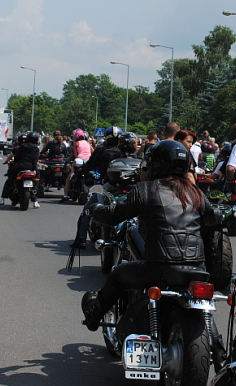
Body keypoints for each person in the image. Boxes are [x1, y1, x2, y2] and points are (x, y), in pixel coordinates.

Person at [80, 140, 221, 330]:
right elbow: (214, 218)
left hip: (158, 268)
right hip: (197, 269)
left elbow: (114, 216)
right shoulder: (195, 193)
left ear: (157, 164)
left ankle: (93, 318)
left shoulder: (145, 190)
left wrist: (96, 209)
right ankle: (217, 349)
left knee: (117, 275)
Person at [69, 126, 124, 248]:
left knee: (86, 211)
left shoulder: (101, 150)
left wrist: (80, 172)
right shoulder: (126, 151)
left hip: (108, 186)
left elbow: (89, 166)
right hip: (127, 187)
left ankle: (81, 240)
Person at [0, 131, 40, 208]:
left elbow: (17, 157)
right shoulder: (36, 148)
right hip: (31, 167)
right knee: (37, 177)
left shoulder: (22, 146)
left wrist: (16, 163)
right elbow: (35, 160)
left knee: (10, 174)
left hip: (21, 166)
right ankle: (35, 198)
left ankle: (3, 197)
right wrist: (34, 169)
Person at [60, 129, 94, 203]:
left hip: (79, 161)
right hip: (88, 162)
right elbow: (93, 152)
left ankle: (66, 195)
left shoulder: (76, 143)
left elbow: (75, 155)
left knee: (69, 176)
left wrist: (67, 161)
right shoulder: (88, 143)